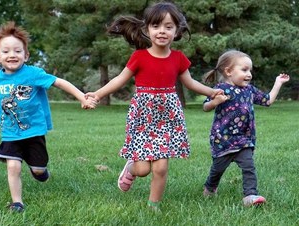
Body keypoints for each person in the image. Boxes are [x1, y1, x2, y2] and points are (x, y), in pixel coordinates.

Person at [85, 2, 222, 211]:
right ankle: (130, 168)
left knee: (160, 167)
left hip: (168, 117)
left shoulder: (178, 58)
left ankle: (153, 205)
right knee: (142, 169)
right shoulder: (139, 56)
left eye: (168, 27)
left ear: (177, 31)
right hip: (143, 117)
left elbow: (191, 83)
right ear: (147, 29)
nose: (162, 31)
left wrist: (211, 92)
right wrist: (97, 94)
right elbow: (119, 80)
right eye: (156, 26)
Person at [0, 21, 96, 212]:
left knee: (38, 170)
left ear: (26, 55)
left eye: (18, 51)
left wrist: (81, 97)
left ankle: (40, 172)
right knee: (13, 167)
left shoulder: (33, 73)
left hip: (34, 131)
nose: (12, 55)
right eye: (6, 51)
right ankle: (17, 203)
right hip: (11, 133)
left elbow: (59, 83)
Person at [201, 49, 290, 206]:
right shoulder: (221, 89)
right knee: (218, 169)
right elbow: (206, 107)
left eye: (250, 70)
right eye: (244, 70)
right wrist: (215, 102)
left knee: (249, 167)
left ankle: (250, 195)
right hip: (223, 139)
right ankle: (210, 187)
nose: (249, 74)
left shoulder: (249, 90)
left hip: (244, 139)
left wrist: (278, 83)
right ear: (228, 71)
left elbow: (267, 100)